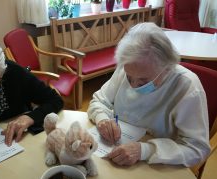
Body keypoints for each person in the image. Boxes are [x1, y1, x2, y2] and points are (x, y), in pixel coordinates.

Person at [87, 22, 210, 167]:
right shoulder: (128, 66)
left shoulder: (187, 87)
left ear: (166, 68)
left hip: (158, 165)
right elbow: (99, 101)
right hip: (117, 151)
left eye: (142, 81)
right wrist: (102, 119)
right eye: (129, 77)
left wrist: (145, 150)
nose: (132, 85)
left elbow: (197, 149)